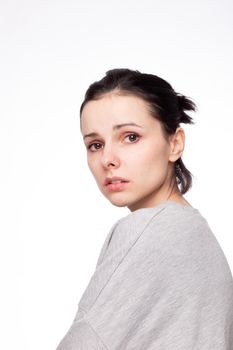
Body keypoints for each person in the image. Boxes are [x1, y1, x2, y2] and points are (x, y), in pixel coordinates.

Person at [56, 68, 233, 349]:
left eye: (130, 137)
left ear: (175, 143)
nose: (108, 159)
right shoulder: (196, 234)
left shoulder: (147, 230)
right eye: (95, 144)